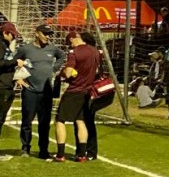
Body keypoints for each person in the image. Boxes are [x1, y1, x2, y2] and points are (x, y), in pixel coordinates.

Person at [15, 25, 66, 159]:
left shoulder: (52, 48)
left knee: (44, 123)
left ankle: (43, 150)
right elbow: (14, 61)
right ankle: (25, 148)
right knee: (27, 121)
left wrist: (53, 68)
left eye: (49, 34)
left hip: (46, 92)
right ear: (37, 33)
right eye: (45, 34)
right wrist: (18, 77)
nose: (48, 37)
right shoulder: (26, 49)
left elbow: (62, 55)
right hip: (30, 91)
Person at [52, 31, 99, 163]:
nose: (70, 45)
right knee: (80, 121)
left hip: (74, 91)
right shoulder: (95, 51)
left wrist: (62, 73)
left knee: (60, 120)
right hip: (88, 91)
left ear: (73, 39)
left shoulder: (74, 52)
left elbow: (68, 73)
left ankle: (60, 154)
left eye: (69, 42)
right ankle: (82, 154)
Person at [75, 32, 102, 161]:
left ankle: (88, 151)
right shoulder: (95, 53)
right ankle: (85, 151)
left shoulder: (91, 54)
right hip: (88, 91)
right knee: (84, 120)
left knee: (85, 121)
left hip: (87, 91)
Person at [0, 22, 21, 158]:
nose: (14, 38)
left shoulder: (4, 45)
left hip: (5, 85)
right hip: (2, 87)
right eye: (12, 35)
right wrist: (15, 62)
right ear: (5, 33)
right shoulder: (0, 45)